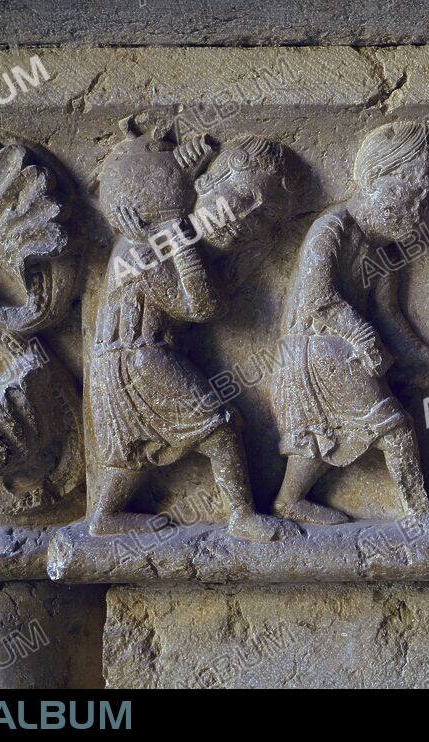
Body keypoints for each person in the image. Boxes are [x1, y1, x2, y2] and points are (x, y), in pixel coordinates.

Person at [89, 133, 300, 542]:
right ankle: (240, 515)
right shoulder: (144, 246)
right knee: (220, 427)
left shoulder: (169, 241)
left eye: (262, 215)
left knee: (133, 451)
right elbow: (197, 307)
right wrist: (177, 237)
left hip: (126, 361)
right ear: (203, 184)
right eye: (239, 197)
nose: (244, 217)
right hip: (139, 357)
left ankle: (103, 517)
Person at [272, 122, 429, 525]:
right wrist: (363, 337)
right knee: (396, 427)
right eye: (416, 200)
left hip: (342, 349)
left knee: (320, 436)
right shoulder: (333, 226)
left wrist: (423, 355)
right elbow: (317, 298)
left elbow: (388, 312)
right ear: (379, 178)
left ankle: (288, 501)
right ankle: (418, 516)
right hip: (316, 346)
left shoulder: (384, 251)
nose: (420, 216)